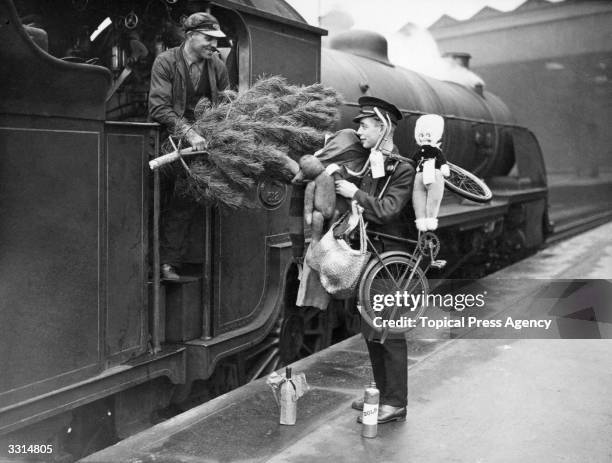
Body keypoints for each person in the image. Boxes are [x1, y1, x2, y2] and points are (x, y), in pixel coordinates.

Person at [335, 96, 415, 424]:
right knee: (371, 328)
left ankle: (396, 402)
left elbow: (387, 210)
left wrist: (354, 193)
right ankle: (381, 393)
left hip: (391, 260)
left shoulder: (403, 168)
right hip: (372, 258)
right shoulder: (373, 164)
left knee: (389, 330)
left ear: (383, 128)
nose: (360, 132)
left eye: (365, 127)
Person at [148, 12, 229, 279]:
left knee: (185, 200)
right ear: (191, 36)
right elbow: (158, 108)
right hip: (165, 142)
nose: (213, 45)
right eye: (208, 38)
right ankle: (149, 261)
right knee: (156, 200)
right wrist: (189, 132)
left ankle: (168, 263)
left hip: (201, 147)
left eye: (215, 40)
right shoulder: (166, 62)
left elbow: (225, 108)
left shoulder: (217, 67)